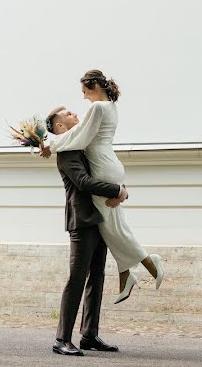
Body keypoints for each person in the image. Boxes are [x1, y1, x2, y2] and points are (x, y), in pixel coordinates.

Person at [43, 70, 163, 303]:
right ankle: (125, 273)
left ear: (94, 85)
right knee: (113, 226)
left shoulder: (97, 108)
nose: (84, 98)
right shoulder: (111, 107)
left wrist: (51, 145)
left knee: (113, 227)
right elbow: (81, 133)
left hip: (102, 166)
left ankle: (149, 262)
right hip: (110, 164)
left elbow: (80, 135)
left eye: (85, 91)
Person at [51, 119, 127, 356]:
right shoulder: (66, 152)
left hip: (99, 219)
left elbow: (104, 171)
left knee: (97, 276)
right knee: (77, 279)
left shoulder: (84, 146)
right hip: (82, 222)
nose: (76, 116)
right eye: (69, 115)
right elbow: (83, 183)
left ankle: (89, 335)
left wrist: (122, 189)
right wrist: (116, 190)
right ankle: (61, 339)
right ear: (60, 127)